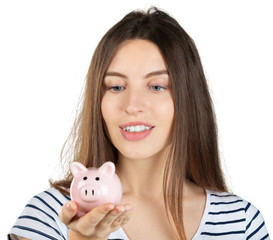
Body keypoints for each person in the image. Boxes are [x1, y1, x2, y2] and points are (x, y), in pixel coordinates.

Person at [8, 7, 270, 240]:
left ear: (189, 98)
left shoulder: (242, 221)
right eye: (116, 86)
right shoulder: (52, 214)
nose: (132, 104)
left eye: (157, 86)